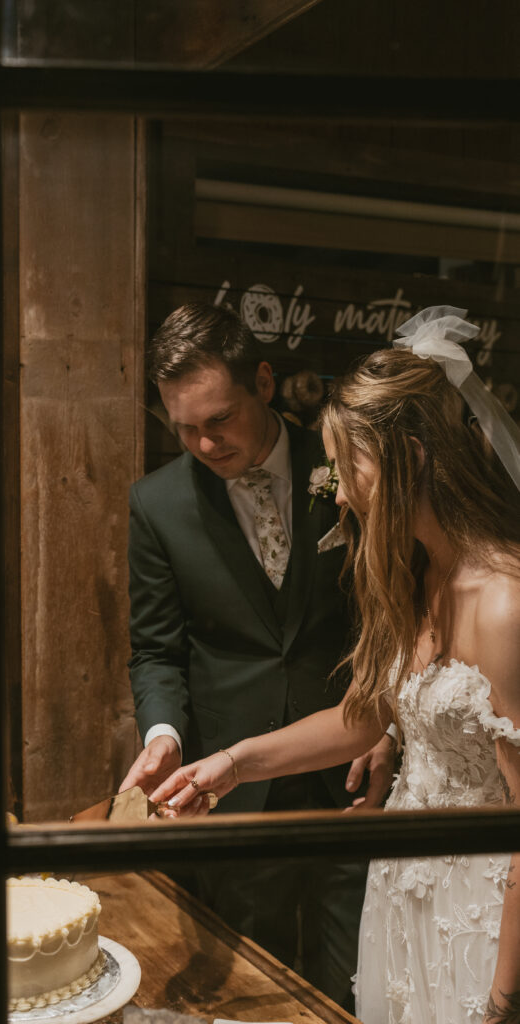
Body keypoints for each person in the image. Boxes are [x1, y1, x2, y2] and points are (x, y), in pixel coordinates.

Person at [151, 306, 520, 1024]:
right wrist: (231, 763)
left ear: (408, 458)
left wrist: (504, 999)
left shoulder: (503, 608)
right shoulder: (419, 579)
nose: (340, 492)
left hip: (478, 917)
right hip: (403, 893)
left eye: (349, 465)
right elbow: (369, 717)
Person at [119, 302, 396, 1009]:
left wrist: (390, 727)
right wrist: (162, 734)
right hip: (233, 785)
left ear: (264, 384)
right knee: (252, 985)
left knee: (358, 972)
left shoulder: (345, 466)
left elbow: (394, 616)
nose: (205, 444)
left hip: (354, 771)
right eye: (182, 428)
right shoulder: (157, 504)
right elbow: (155, 649)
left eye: (219, 419)